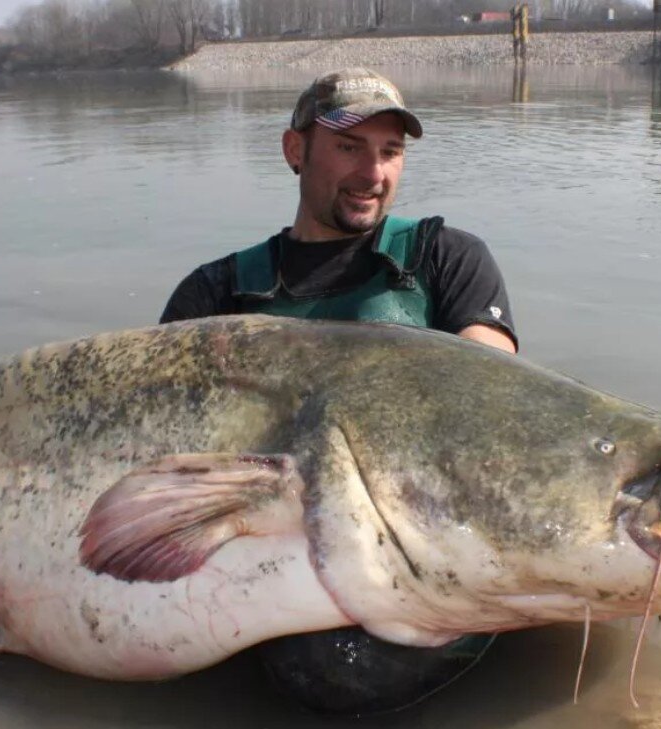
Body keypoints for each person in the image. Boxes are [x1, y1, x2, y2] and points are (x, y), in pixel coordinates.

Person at [159, 68, 518, 716]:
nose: (372, 173)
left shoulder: (446, 258)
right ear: (295, 150)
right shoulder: (214, 295)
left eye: (390, 152)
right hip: (260, 557)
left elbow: (492, 400)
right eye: (350, 147)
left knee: (348, 676)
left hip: (416, 561)